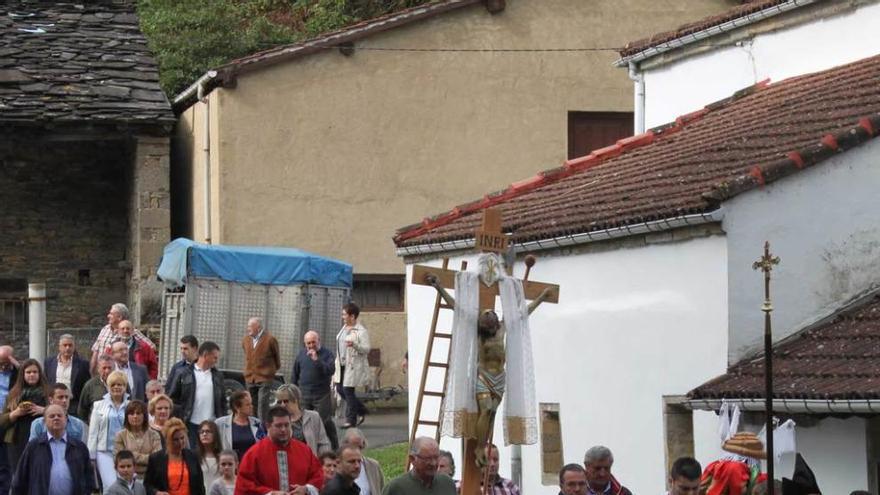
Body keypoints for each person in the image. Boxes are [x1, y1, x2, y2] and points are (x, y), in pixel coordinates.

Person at [236, 405, 324, 495]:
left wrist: (306, 489)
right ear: (268, 426)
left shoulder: (304, 451)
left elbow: (318, 476)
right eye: (278, 426)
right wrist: (270, 493)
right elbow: (244, 486)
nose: (283, 429)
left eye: (286, 425)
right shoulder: (253, 454)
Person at [10, 404, 95, 495]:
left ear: (66, 419)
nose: (56, 418)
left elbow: (89, 478)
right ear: (44, 421)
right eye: (51, 416)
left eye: (59, 415)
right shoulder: (33, 447)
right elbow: (20, 478)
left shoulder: (79, 447)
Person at [168, 341, 226, 448]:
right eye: (214, 357)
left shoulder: (218, 376)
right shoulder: (183, 373)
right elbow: (172, 398)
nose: (216, 361)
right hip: (190, 424)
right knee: (191, 455)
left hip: (211, 425)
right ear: (205, 355)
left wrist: (222, 420)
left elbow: (222, 401)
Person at [0, 358, 49, 469]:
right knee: (19, 475)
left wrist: (44, 410)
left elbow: (61, 413)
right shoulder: (13, 394)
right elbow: (2, 421)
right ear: (22, 374)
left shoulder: (48, 393)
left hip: (42, 439)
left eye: (35, 372)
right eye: (28, 372)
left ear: (40, 374)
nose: (32, 375)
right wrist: (15, 413)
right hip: (17, 440)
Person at [293, 330, 338, 450]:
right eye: (308, 343)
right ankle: (307, 447)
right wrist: (293, 390)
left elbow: (330, 370)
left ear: (319, 341)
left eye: (313, 342)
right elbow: (295, 374)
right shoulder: (301, 355)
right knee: (305, 422)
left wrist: (317, 360)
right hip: (305, 394)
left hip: (321, 394)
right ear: (305, 343)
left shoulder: (327, 354)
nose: (311, 345)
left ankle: (334, 445)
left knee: (324, 421)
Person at [89, 370, 131, 491]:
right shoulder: (98, 405)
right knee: (110, 486)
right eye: (113, 385)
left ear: (125, 386)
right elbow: (93, 432)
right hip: (104, 452)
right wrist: (91, 456)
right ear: (108, 387)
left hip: (125, 452)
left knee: (125, 486)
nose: (116, 387)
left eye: (120, 384)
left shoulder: (131, 406)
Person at [143, 417, 206, 495]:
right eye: (175, 439)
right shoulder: (156, 459)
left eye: (182, 438)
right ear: (167, 439)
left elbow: (200, 486)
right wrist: (157, 493)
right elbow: (147, 485)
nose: (180, 442)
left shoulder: (192, 456)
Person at [334, 303, 370, 429]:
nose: (342, 316)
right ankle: (361, 409)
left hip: (352, 366)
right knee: (339, 389)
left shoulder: (361, 331)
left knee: (348, 391)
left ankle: (351, 420)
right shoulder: (343, 328)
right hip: (341, 364)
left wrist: (354, 345)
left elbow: (366, 349)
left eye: (345, 314)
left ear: (352, 316)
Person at [92, 303, 154, 374]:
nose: (108, 316)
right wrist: (92, 370)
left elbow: (151, 348)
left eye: (111, 314)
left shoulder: (131, 332)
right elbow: (95, 351)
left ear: (119, 317)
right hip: (104, 373)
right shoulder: (105, 329)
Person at [382, 437, 455, 495]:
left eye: (436, 457)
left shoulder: (447, 483)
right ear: (412, 459)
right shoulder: (396, 488)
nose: (433, 463)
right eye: (427, 459)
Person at [274, 384, 331, 455]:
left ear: (296, 400)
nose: (282, 405)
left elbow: (323, 443)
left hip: (311, 461)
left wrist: (323, 461)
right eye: (279, 402)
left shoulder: (313, 417)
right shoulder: (276, 421)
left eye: (286, 401)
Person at [242, 317, 281, 423]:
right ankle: (253, 426)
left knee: (262, 405)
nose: (248, 328)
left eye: (250, 326)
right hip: (250, 377)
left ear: (258, 327)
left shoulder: (270, 340)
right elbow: (248, 356)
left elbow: (276, 357)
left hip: (264, 377)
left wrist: (270, 372)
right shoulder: (246, 340)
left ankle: (263, 429)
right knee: (251, 404)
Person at [44, 334, 90, 415]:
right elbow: (46, 382)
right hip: (54, 404)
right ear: (59, 347)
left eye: (70, 345)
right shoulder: (49, 362)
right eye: (65, 345)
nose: (67, 348)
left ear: (74, 347)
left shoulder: (83, 364)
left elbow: (86, 386)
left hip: (74, 405)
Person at [113, 400, 162, 477]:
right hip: (128, 477)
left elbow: (157, 459)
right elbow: (119, 459)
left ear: (144, 416)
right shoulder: (120, 435)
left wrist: (132, 455)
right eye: (132, 414)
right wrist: (147, 457)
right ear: (127, 416)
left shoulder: (154, 435)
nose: (135, 416)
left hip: (150, 476)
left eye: (138, 413)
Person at [215, 390, 264, 461]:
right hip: (232, 466)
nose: (251, 407)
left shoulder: (257, 423)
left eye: (251, 404)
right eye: (248, 405)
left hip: (252, 464)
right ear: (237, 407)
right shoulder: (220, 423)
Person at [339, 428, 383, 495]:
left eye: (359, 447)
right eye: (353, 447)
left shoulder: (373, 466)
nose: (357, 451)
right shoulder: (337, 467)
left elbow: (381, 489)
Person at [0, 345, 18, 495]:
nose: (3, 366)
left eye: (6, 362)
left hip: (8, 420)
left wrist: (17, 365)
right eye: (0, 363)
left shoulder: (18, 373)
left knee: (5, 462)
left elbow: (38, 377)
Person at [79, 354, 114, 421]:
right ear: (98, 369)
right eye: (104, 368)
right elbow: (82, 410)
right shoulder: (90, 385)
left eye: (109, 368)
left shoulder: (122, 383)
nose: (107, 371)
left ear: (114, 368)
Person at [196, 420, 223, 494]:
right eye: (202, 432)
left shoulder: (222, 457)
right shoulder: (194, 457)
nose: (204, 434)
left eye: (208, 431)